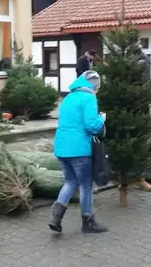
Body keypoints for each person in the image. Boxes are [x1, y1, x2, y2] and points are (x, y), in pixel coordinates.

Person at [49, 70, 108, 234]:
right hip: (79, 149)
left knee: (70, 182)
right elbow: (91, 126)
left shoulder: (68, 97)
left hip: (61, 148)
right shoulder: (88, 98)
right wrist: (102, 119)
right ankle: (88, 222)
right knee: (85, 185)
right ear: (94, 86)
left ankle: (55, 218)